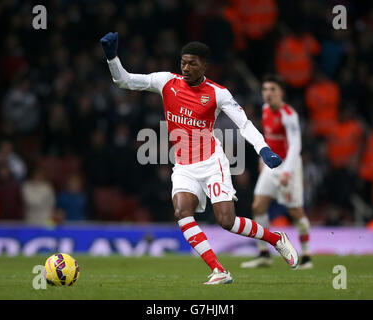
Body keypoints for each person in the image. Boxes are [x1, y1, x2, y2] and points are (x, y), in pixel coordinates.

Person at [100, 32, 299, 285]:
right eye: (183, 62)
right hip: (183, 165)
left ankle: (276, 239)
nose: (186, 67)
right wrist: (111, 58)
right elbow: (125, 81)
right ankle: (219, 270)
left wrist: (263, 148)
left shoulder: (218, 93)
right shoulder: (166, 82)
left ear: (205, 65)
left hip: (211, 163)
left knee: (226, 221)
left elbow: (244, 124)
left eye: (192, 63)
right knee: (182, 212)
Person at [241, 74, 313, 269]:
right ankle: (264, 254)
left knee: (295, 211)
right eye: (265, 89)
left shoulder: (289, 115)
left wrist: (287, 172)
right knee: (258, 207)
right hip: (272, 165)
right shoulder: (265, 110)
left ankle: (306, 255)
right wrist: (262, 158)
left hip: (289, 166)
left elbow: (296, 145)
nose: (268, 93)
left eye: (272, 89)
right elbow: (268, 138)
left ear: (281, 92)